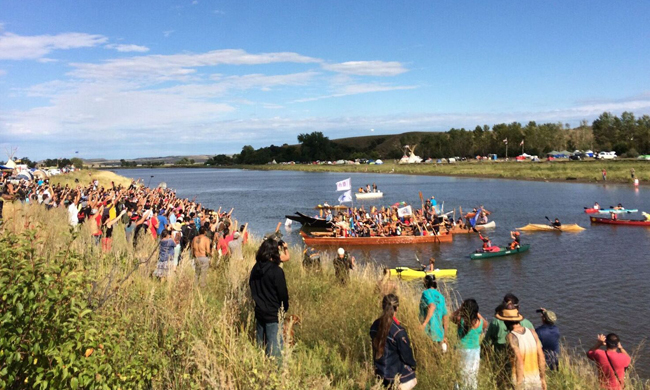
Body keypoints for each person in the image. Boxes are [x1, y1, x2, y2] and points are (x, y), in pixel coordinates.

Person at [249, 238, 289, 360]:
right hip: (273, 314)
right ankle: (275, 374)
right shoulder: (276, 271)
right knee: (275, 350)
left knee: (260, 346)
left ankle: (259, 367)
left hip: (260, 311)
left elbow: (251, 285)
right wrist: (284, 308)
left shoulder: (256, 268)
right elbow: (282, 294)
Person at [370, 294, 417, 390]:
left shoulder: (375, 325)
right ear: (397, 308)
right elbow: (406, 355)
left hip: (378, 370)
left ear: (382, 306)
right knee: (413, 380)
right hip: (392, 373)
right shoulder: (399, 331)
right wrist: (413, 365)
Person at [499, 304, 547, 390]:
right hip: (536, 380)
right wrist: (543, 379)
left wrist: (519, 384)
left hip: (523, 382)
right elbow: (541, 356)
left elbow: (519, 360)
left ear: (506, 321)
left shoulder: (511, 336)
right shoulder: (533, 332)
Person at [452, 298, 488, 390]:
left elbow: (451, 317)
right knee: (472, 374)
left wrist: (460, 309)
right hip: (475, 351)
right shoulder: (480, 322)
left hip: (461, 350)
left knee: (460, 374)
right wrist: (477, 314)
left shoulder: (461, 321)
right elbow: (486, 324)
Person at [419, 275, 448, 346]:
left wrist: (424, 324)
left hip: (429, 332)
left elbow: (432, 306)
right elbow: (445, 318)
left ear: (426, 283)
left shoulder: (425, 293)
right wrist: (445, 336)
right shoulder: (441, 297)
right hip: (439, 333)